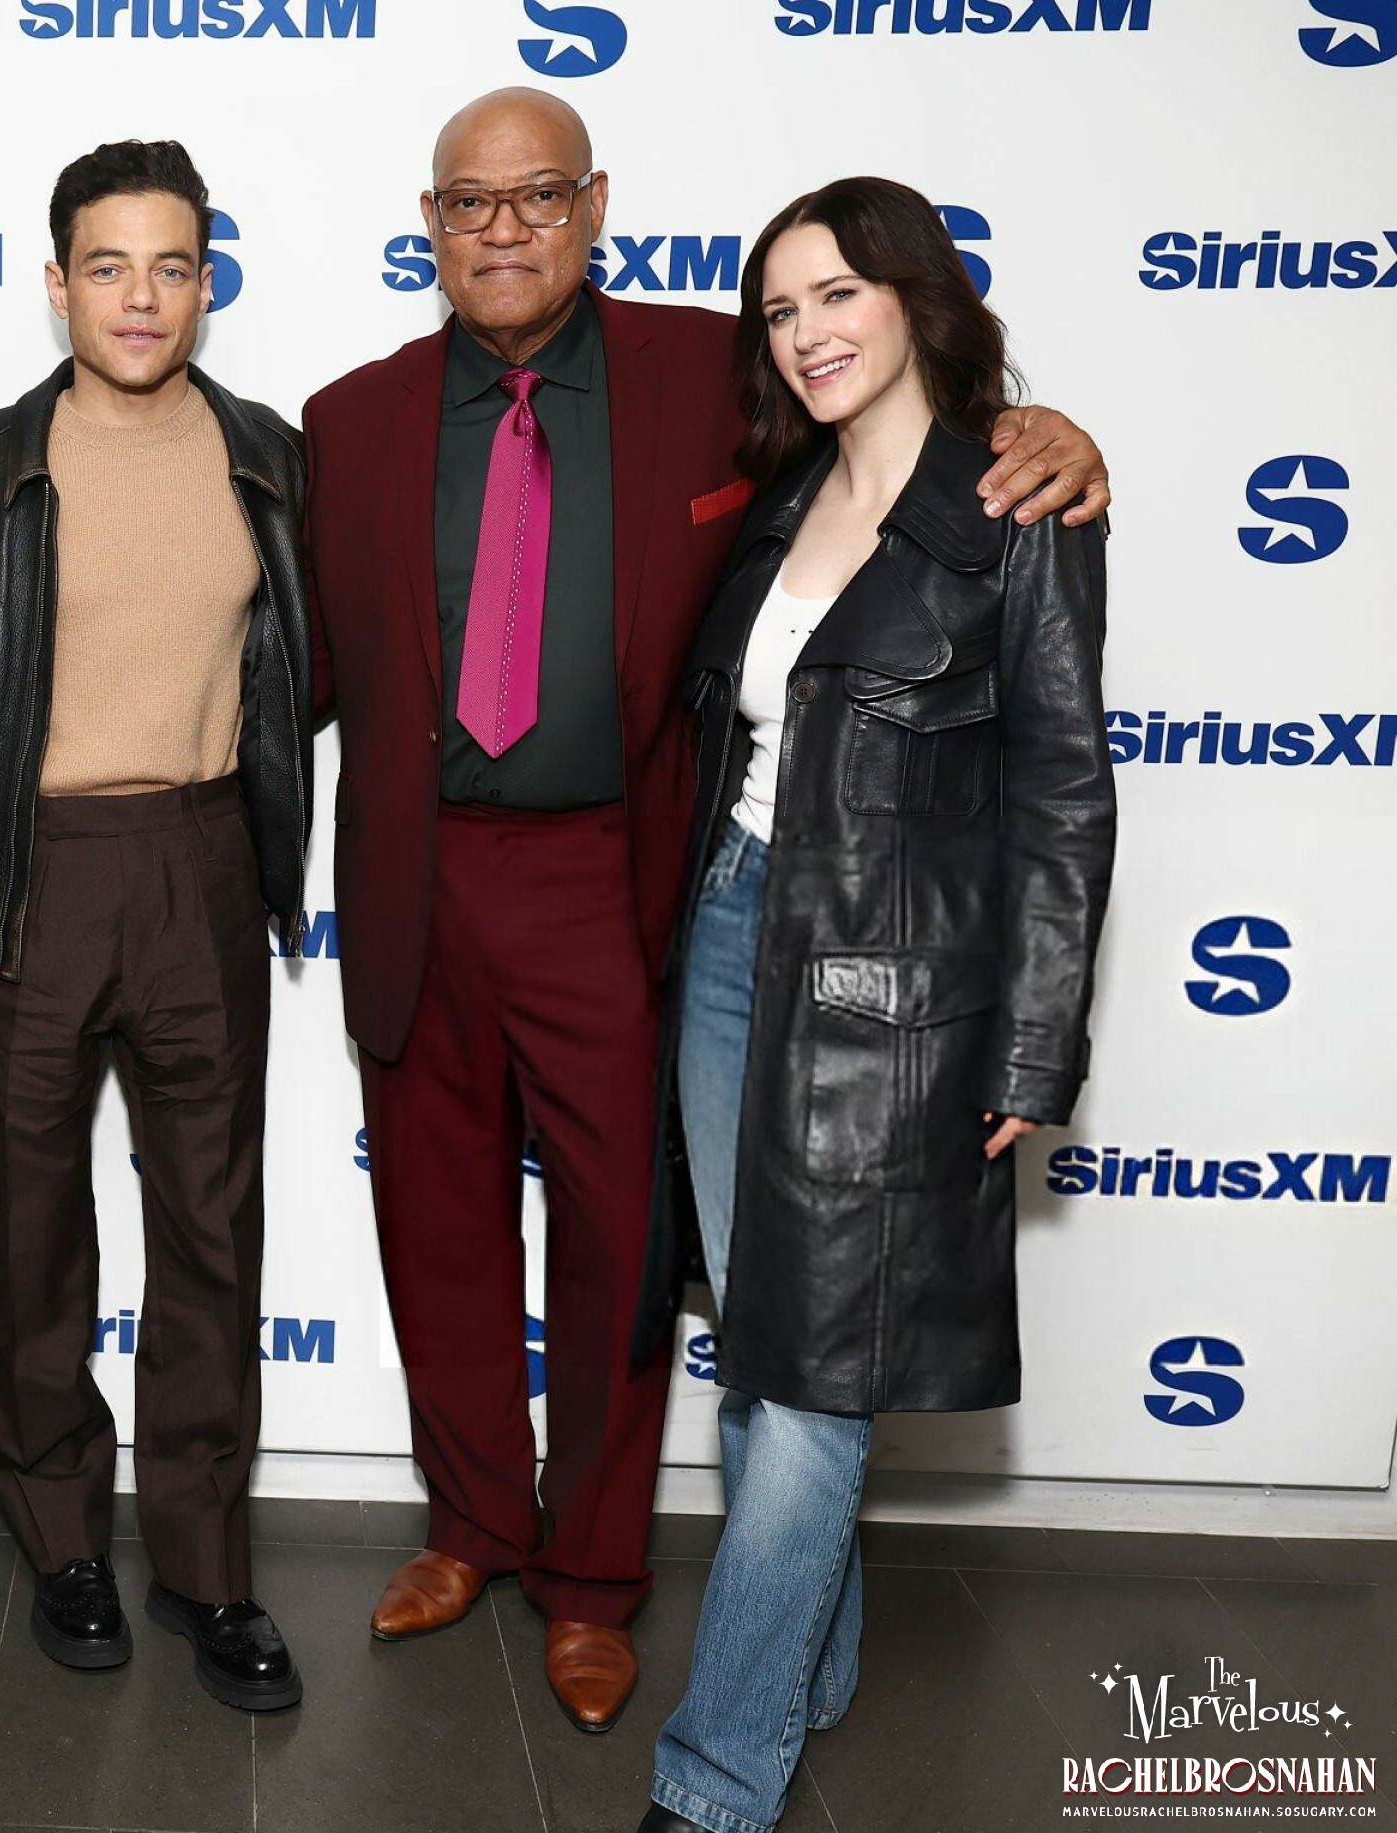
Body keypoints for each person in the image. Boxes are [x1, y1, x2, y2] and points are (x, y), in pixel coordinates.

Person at [300, 88, 1112, 1733]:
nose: (504, 228)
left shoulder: (713, 375)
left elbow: (897, 441)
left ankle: (593, 1576)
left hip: (620, 880)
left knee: (623, 1241)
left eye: (538, 195)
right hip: (418, 877)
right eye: (467, 203)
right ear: (429, 225)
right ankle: (472, 1524)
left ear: (595, 206)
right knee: (434, 1230)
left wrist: (1048, 433)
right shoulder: (348, 417)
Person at [636, 176, 1115, 1833]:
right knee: (760, 1352)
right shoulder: (778, 500)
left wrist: (1034, 1038)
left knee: (813, 1379)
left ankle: (716, 1774)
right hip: (726, 940)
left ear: (914, 297)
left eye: (836, 292)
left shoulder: (1020, 509)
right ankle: (806, 1668)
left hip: (889, 989)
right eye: (779, 309)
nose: (807, 331)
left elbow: (1063, 792)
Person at [0, 139, 314, 1713]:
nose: (140, 297)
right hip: (29, 868)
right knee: (26, 1230)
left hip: (202, 856)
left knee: (212, 1227)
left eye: (171, 266)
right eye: (108, 265)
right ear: (55, 283)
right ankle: (62, 1540)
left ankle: (206, 1562)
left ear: (206, 284)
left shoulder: (270, 455)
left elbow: (304, 666)